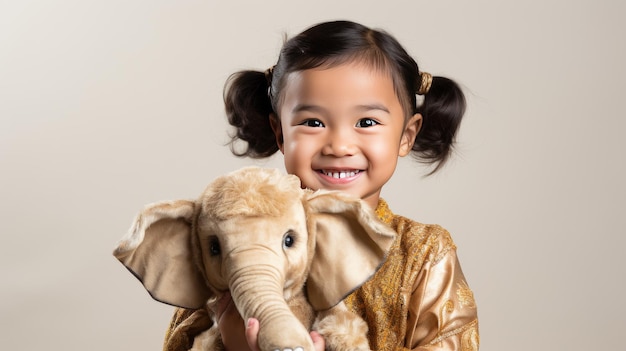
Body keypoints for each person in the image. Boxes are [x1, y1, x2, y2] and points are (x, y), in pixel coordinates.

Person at [163, 20, 479, 351]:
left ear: (406, 135)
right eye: (313, 122)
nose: (339, 145)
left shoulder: (424, 255)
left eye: (366, 122)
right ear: (280, 133)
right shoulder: (233, 240)